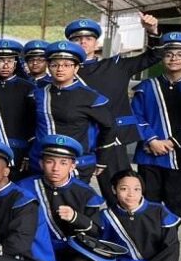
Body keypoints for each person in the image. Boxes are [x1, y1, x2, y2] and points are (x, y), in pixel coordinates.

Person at [68, 15, 162, 203]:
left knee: (119, 193)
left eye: (88, 38)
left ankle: (122, 230)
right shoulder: (62, 71)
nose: (83, 42)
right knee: (71, 193)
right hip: (77, 139)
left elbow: (154, 56)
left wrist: (152, 32)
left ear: (96, 43)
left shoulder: (115, 66)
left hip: (112, 140)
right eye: (77, 39)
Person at [18, 134, 105, 261]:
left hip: (69, 250)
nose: (56, 168)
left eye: (63, 163)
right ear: (42, 163)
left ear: (73, 166)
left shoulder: (85, 192)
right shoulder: (24, 187)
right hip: (37, 250)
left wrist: (76, 218)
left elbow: (97, 232)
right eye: (50, 161)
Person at [131, 32, 181, 219]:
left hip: (180, 154)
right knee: (147, 201)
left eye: (180, 54)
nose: (173, 59)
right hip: (149, 154)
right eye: (168, 54)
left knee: (175, 202)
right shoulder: (147, 86)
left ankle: (169, 243)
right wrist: (153, 140)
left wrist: (171, 143)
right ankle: (148, 242)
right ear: (162, 58)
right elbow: (135, 116)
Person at [30, 41, 118, 183]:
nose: (60, 69)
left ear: (76, 68)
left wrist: (102, 159)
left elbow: (109, 128)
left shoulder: (91, 97)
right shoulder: (38, 95)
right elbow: (29, 126)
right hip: (41, 163)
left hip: (76, 165)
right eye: (54, 65)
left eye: (67, 65)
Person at [100, 170, 181, 261]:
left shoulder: (159, 211)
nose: (131, 194)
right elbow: (105, 247)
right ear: (114, 189)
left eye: (136, 189)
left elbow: (172, 248)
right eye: (124, 189)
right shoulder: (107, 216)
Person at [0, 39, 35, 180]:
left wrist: (29, 152)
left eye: (10, 61)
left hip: (19, 149)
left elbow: (33, 123)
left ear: (16, 63)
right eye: (0, 61)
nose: (5, 65)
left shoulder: (28, 87)